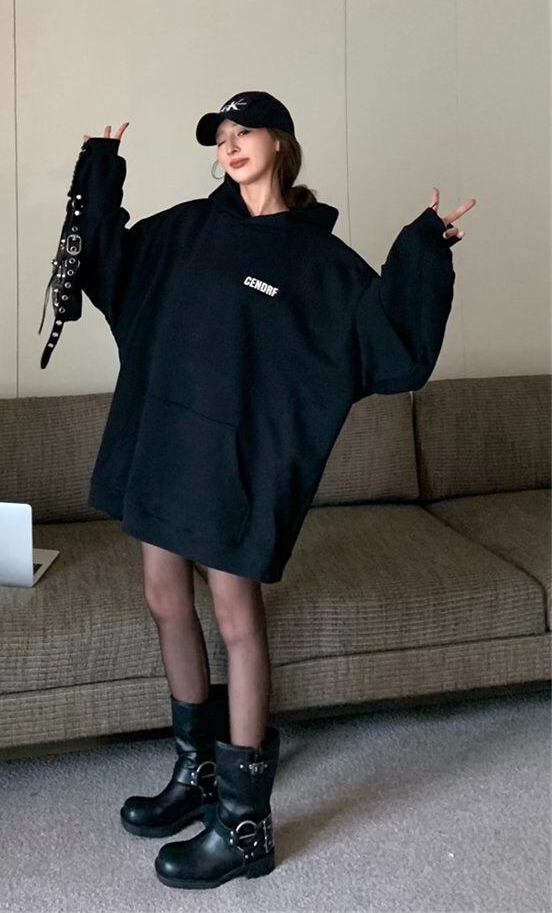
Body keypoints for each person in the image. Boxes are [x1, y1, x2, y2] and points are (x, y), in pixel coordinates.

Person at [39, 90, 476, 889]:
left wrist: (424, 249)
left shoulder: (316, 260)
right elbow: (110, 265)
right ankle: (197, 772)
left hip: (237, 466)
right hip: (168, 447)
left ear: (281, 143)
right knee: (163, 595)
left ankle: (245, 824)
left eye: (245, 132)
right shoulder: (188, 229)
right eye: (221, 137)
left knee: (236, 616)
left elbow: (386, 342)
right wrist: (100, 170)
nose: (230, 146)